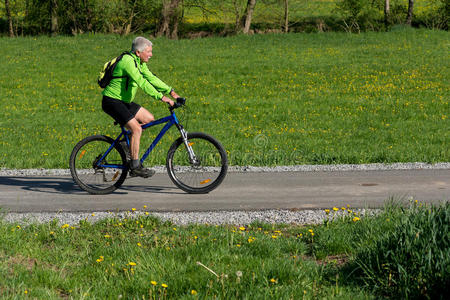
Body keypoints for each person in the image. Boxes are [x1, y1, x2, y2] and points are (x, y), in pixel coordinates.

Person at [102, 36, 182, 177]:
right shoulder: (128, 62)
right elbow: (142, 83)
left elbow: (151, 78)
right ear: (138, 52)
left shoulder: (139, 62)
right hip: (112, 101)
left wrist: (171, 91)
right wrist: (163, 98)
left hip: (124, 102)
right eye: (148, 51)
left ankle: (124, 146)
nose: (151, 54)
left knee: (149, 119)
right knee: (136, 129)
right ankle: (135, 166)